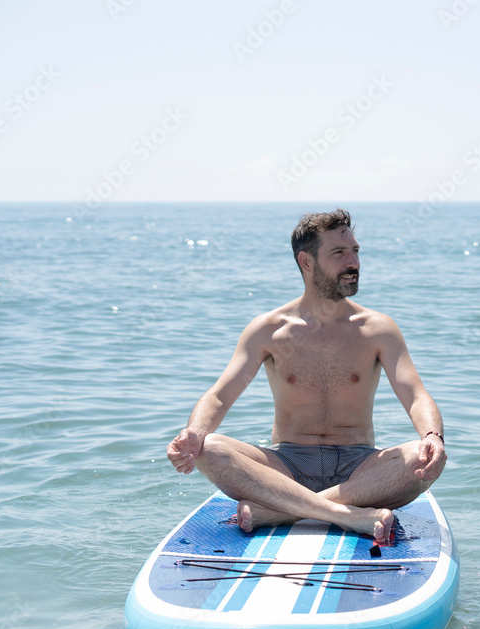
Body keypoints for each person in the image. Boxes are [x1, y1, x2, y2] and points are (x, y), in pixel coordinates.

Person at [166, 208, 446, 544]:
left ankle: (282, 512)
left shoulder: (377, 329)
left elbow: (415, 395)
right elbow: (219, 396)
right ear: (307, 262)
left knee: (422, 455)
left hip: (358, 467)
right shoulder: (269, 330)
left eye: (355, 251)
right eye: (339, 253)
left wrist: (433, 436)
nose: (353, 262)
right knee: (210, 448)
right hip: (285, 463)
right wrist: (194, 434)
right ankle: (346, 514)